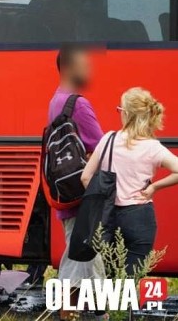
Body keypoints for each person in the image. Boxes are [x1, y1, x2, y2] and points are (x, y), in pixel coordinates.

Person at [81, 87, 178, 275]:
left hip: (107, 217)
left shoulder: (108, 139)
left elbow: (85, 177)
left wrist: (101, 199)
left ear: (126, 113)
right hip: (139, 217)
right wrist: (154, 187)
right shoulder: (152, 147)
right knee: (131, 282)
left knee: (108, 280)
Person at [49, 45, 106, 320]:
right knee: (79, 263)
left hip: (67, 192)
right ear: (70, 67)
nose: (89, 70)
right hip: (83, 196)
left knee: (86, 262)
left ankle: (97, 314)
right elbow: (102, 146)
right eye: (85, 64)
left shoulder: (56, 101)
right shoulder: (77, 103)